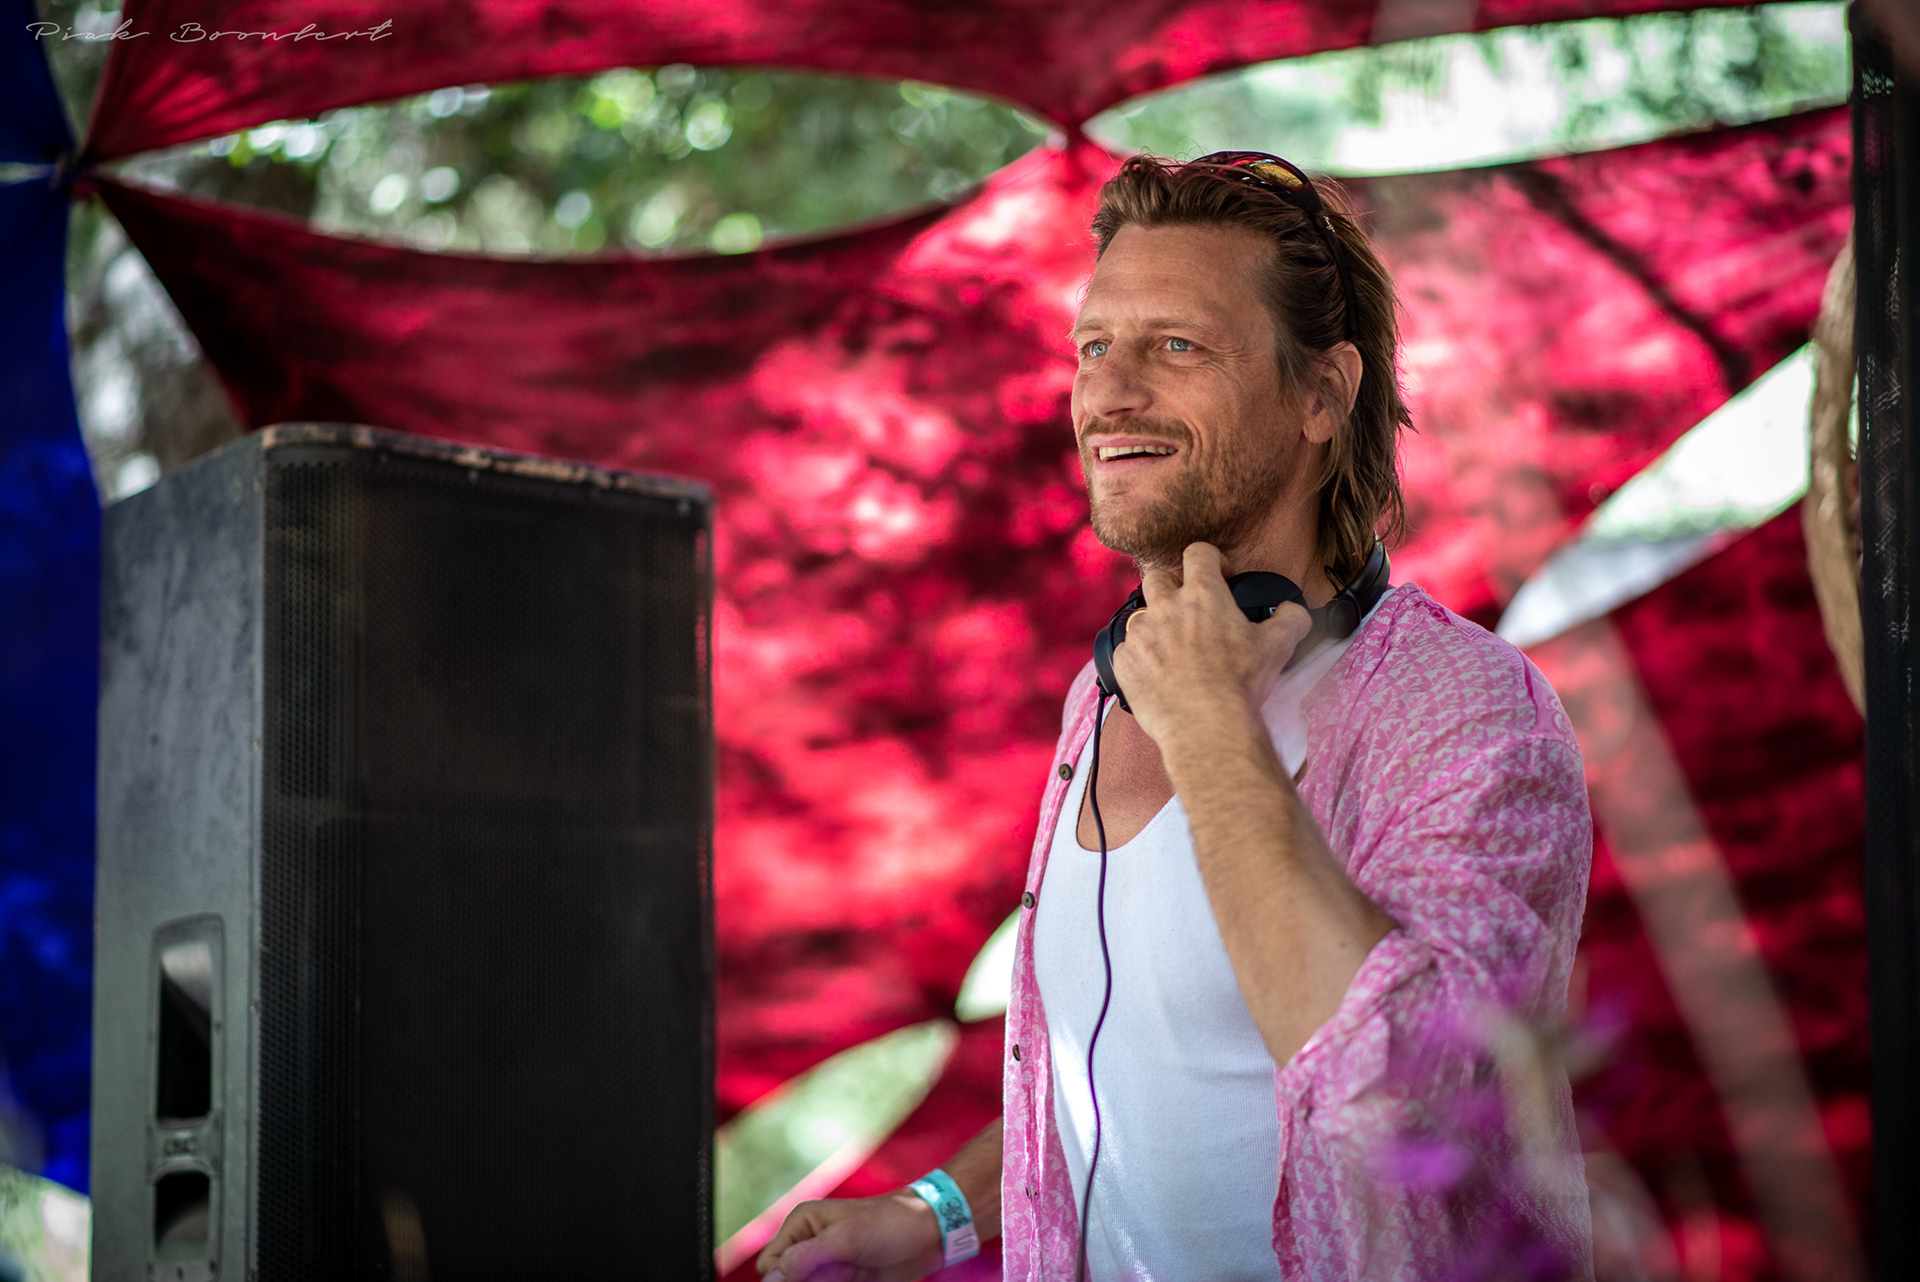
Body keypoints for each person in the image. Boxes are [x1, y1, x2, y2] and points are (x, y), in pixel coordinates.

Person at [757, 152, 1594, 1282]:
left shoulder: (1469, 712)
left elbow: (1404, 1098)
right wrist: (933, 1212)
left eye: (1178, 346)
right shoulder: (1103, 695)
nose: (1109, 395)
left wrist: (1210, 730)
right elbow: (1116, 1079)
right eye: (1095, 348)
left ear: (1323, 394)